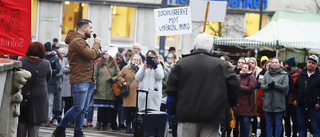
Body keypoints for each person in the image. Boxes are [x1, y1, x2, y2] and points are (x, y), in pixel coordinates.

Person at [166, 33, 241, 137]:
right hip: (212, 116)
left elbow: (170, 89)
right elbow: (235, 85)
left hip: (186, 115)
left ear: (195, 47)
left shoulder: (182, 64)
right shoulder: (221, 65)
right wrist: (228, 103)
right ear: (211, 49)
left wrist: (173, 111)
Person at [52, 19, 101, 137]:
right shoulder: (77, 41)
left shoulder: (81, 41)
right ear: (84, 28)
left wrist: (99, 51)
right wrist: (96, 43)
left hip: (87, 79)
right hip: (81, 79)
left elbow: (90, 56)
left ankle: (78, 132)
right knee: (78, 107)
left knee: (83, 109)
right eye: (90, 28)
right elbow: (90, 55)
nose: (92, 30)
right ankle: (59, 129)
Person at [17, 42, 52, 137]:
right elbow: (48, 78)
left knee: (21, 122)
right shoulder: (46, 63)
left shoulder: (22, 61)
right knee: (35, 124)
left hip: (23, 95)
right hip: (39, 97)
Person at [93, 49, 120, 131]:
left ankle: (107, 125)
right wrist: (95, 87)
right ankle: (99, 123)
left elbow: (119, 74)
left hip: (110, 89)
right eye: (104, 53)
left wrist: (113, 79)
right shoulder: (98, 64)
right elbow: (95, 76)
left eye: (107, 53)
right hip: (100, 88)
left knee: (109, 109)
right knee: (101, 108)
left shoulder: (114, 64)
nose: (106, 54)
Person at [261, 57, 288, 137]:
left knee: (278, 123)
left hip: (278, 102)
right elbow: (262, 86)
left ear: (280, 64)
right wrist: (269, 86)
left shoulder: (284, 74)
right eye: (272, 62)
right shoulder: (267, 73)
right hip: (267, 102)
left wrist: (275, 85)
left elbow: (285, 87)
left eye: (276, 62)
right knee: (268, 123)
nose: (274, 64)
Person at [294, 55, 320, 137]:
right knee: (302, 128)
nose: (310, 64)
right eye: (309, 62)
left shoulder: (318, 76)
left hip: (314, 107)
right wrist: (295, 99)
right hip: (301, 106)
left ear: (316, 65)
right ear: (306, 63)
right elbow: (295, 88)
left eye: (313, 63)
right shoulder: (301, 75)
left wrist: (319, 103)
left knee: (315, 128)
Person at [117, 54, 141, 133]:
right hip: (129, 93)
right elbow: (119, 76)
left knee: (136, 112)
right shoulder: (126, 68)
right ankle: (128, 126)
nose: (136, 61)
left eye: (137, 60)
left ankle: (134, 127)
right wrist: (124, 82)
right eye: (134, 59)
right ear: (131, 60)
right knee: (128, 111)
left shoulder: (141, 69)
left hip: (138, 93)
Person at [234, 63, 256, 137]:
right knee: (239, 123)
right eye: (242, 67)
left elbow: (250, 88)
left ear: (249, 69)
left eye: (245, 68)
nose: (243, 69)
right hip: (238, 103)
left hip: (247, 104)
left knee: (245, 123)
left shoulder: (251, 77)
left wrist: (239, 87)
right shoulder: (238, 76)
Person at [44, 42, 61, 127]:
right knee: (45, 102)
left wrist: (49, 72)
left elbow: (58, 69)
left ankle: (47, 118)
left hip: (51, 82)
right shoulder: (44, 58)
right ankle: (44, 118)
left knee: (50, 102)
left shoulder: (55, 59)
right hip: (44, 82)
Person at [283, 57, 300, 137]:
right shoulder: (286, 73)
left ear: (290, 65)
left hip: (294, 101)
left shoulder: (299, 74)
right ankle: (288, 134)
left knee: (295, 119)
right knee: (286, 119)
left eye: (286, 64)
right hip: (286, 100)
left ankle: (294, 134)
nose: (285, 66)